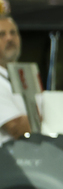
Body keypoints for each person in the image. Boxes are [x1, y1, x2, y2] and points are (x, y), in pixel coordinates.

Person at [0, 11, 31, 147]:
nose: (9, 38)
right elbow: (16, 128)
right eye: (2, 34)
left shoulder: (24, 75)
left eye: (13, 33)